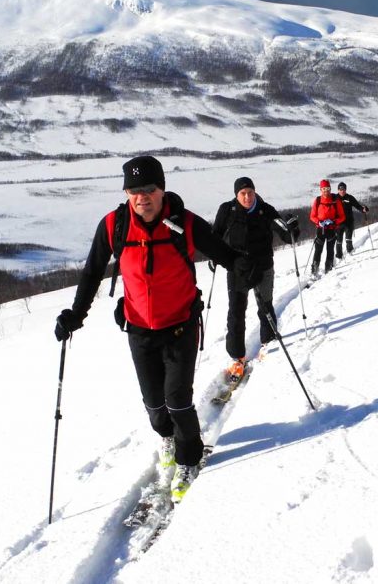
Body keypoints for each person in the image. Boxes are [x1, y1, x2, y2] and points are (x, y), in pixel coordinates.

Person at [53, 155, 237, 500]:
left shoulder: (184, 223)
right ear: (126, 192)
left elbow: (226, 255)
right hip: (138, 329)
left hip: (181, 325)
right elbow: (92, 272)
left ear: (162, 189)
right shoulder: (113, 226)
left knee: (178, 400)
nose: (143, 197)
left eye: (149, 189)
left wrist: (249, 269)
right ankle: (167, 437)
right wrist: (75, 315)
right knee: (154, 405)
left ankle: (189, 458)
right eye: (135, 191)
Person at [212, 176, 299, 380]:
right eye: (243, 193)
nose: (247, 197)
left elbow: (284, 233)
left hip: (262, 267)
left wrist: (292, 229)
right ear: (236, 195)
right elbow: (214, 236)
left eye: (250, 192)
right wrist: (214, 257)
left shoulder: (265, 209)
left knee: (265, 307)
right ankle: (237, 356)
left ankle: (267, 343)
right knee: (236, 311)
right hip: (237, 268)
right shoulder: (227, 210)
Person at [309, 179, 346, 276]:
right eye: (324, 189)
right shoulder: (317, 200)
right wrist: (319, 222)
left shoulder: (335, 200)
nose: (326, 191)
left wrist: (333, 221)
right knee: (318, 251)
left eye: (328, 188)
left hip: (332, 229)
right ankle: (314, 271)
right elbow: (312, 216)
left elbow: (342, 216)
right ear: (321, 189)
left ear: (330, 188)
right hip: (320, 230)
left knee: (330, 250)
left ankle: (328, 270)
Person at [335, 181, 369, 257]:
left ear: (345, 190)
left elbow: (357, 206)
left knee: (348, 239)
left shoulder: (349, 197)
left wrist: (363, 209)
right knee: (338, 241)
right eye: (340, 189)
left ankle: (350, 252)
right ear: (338, 190)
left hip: (349, 222)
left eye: (343, 189)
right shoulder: (335, 198)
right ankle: (339, 255)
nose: (342, 191)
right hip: (338, 223)